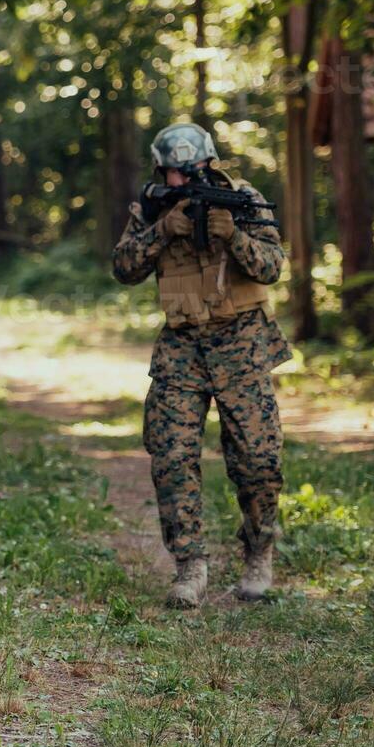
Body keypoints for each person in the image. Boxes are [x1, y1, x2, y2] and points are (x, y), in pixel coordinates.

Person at [112, 122, 290, 608]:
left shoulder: (244, 199)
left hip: (242, 344)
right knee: (170, 455)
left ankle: (258, 554)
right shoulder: (152, 208)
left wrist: (234, 237)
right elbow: (124, 268)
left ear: (206, 165)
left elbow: (273, 268)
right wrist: (161, 231)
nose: (177, 182)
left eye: (185, 172)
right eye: (169, 173)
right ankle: (190, 566)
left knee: (258, 459)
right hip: (181, 345)